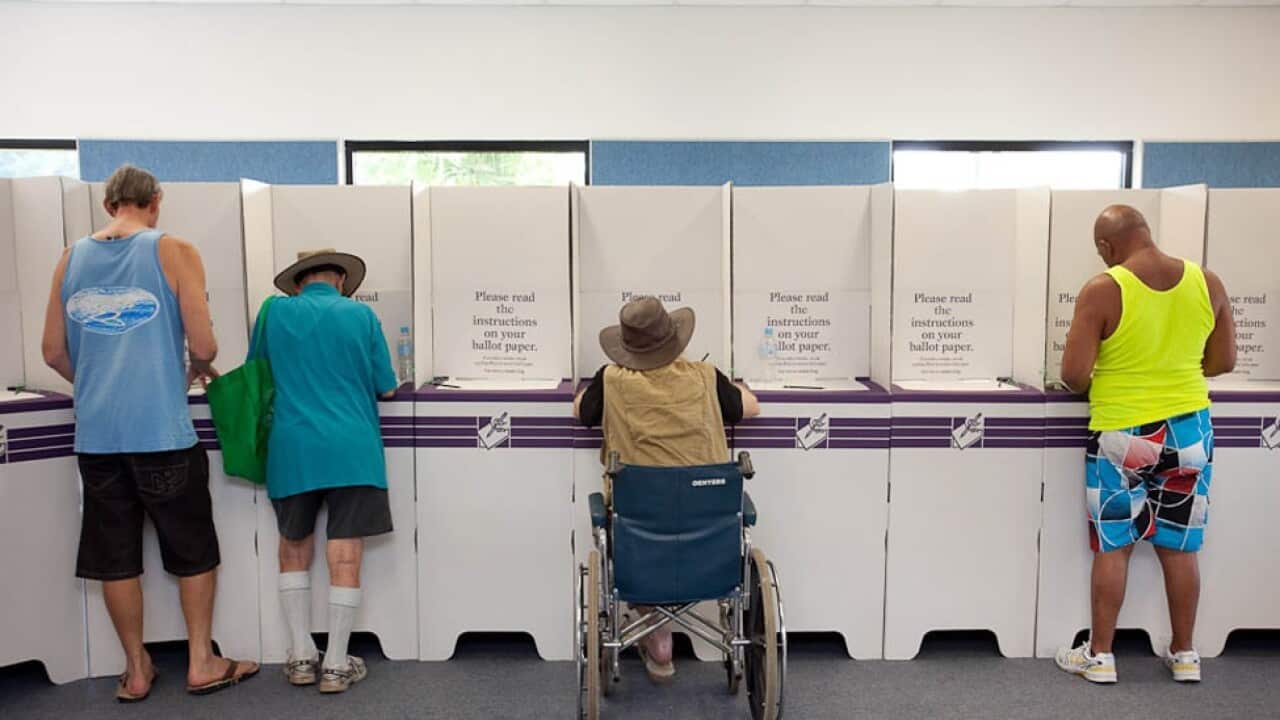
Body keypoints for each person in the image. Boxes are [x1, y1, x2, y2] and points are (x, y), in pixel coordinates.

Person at [41, 164, 259, 702]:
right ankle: (202, 662)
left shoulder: (69, 258)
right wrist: (178, 370)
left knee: (114, 556)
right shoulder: (174, 250)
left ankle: (136, 670)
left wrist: (94, 383)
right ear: (156, 201)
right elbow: (205, 347)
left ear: (107, 205)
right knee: (193, 550)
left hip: (97, 439)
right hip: (162, 431)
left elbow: (51, 351)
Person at [1055, 205, 1236, 684]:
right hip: (1190, 431)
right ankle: (1184, 654)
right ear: (1148, 234)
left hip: (1126, 432)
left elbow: (1073, 376)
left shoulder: (1104, 288)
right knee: (1180, 547)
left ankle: (1100, 656)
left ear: (1106, 248)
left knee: (1114, 546)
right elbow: (1222, 362)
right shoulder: (1207, 282)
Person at [574, 295, 760, 684]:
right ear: (675, 339)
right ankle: (661, 631)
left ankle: (656, 632)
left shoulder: (610, 380)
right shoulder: (706, 376)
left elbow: (580, 411)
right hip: (708, 531)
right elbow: (751, 407)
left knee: (630, 522)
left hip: (638, 533)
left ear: (627, 347)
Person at [251, 249, 399, 694]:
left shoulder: (273, 312)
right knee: (345, 553)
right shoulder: (362, 317)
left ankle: (300, 656)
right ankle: (335, 663)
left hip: (293, 445)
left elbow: (256, 372)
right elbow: (386, 386)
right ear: (340, 279)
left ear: (298, 282)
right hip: (352, 448)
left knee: (292, 548)